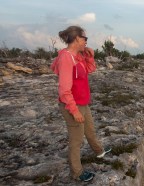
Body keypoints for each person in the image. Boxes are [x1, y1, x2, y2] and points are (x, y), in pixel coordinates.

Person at [51, 26, 110, 182]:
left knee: (90, 130)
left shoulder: (78, 56)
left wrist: (90, 57)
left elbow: (90, 69)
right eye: (85, 39)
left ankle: (99, 151)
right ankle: (77, 173)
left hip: (83, 103)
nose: (86, 42)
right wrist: (74, 111)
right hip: (73, 106)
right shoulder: (66, 58)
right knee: (76, 141)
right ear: (77, 38)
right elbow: (64, 90)